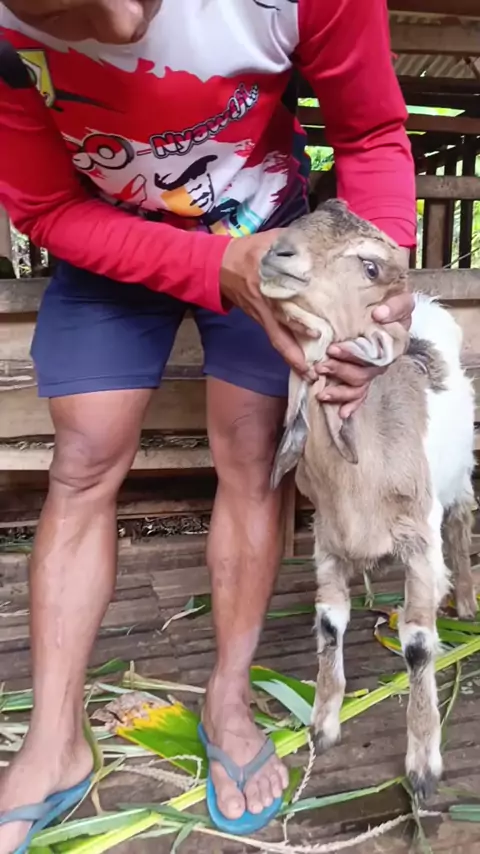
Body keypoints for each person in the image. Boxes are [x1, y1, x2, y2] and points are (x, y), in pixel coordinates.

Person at [0, 0, 416, 848]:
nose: (116, 28)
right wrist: (209, 265)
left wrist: (376, 293)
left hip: (271, 232)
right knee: (84, 457)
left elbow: (372, 134)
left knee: (253, 450)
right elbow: (45, 207)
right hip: (105, 238)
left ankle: (226, 698)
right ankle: (54, 738)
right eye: (60, 14)